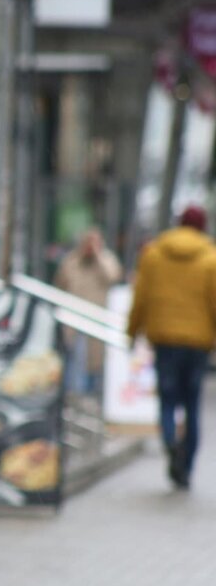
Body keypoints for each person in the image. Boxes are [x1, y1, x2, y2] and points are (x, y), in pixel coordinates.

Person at [127, 205, 216, 490]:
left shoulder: (153, 255)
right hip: (198, 344)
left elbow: (141, 297)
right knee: (191, 405)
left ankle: (170, 443)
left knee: (167, 400)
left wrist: (131, 332)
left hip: (164, 340)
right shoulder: (210, 259)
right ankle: (186, 465)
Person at [53, 227, 123, 396]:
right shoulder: (72, 261)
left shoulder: (106, 260)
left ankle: (92, 398)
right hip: (74, 322)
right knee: (75, 363)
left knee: (96, 365)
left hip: (97, 322)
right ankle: (75, 397)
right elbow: (60, 283)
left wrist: (98, 255)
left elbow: (114, 277)